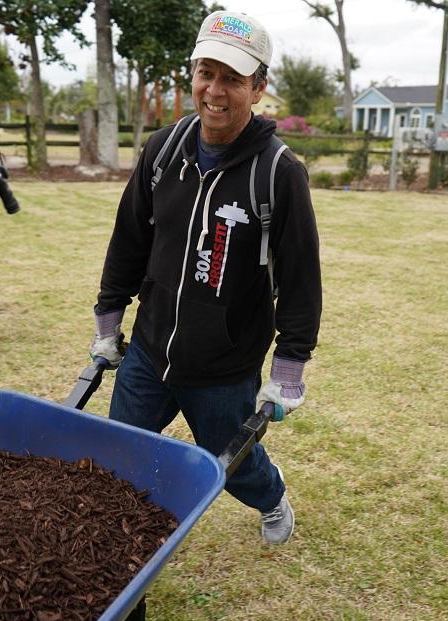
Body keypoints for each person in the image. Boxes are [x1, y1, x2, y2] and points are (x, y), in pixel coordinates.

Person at [89, 11, 322, 545]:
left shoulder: (279, 173)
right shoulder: (162, 150)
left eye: (233, 79)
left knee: (235, 468)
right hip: (148, 352)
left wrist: (289, 368)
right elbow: (129, 240)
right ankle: (115, 543)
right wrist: (109, 321)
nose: (215, 91)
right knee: (117, 454)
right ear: (192, 75)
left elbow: (300, 279)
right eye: (205, 73)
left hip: (224, 366)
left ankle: (272, 496)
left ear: (258, 88)